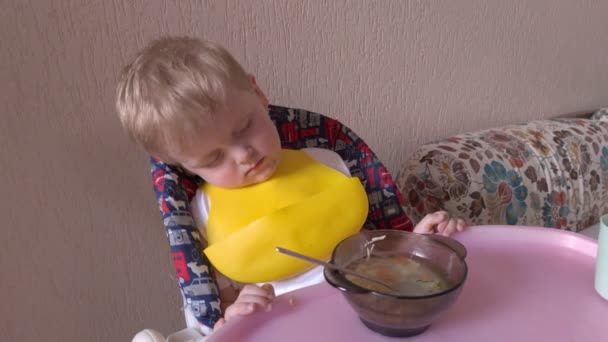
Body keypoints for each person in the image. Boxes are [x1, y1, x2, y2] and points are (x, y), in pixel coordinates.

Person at [116, 36, 466, 339]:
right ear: (181, 165)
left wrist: (417, 241)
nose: (243, 155)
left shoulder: (327, 162)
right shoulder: (202, 214)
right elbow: (218, 309)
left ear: (258, 94)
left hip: (367, 314)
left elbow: (374, 249)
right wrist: (236, 314)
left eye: (244, 128)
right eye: (212, 159)